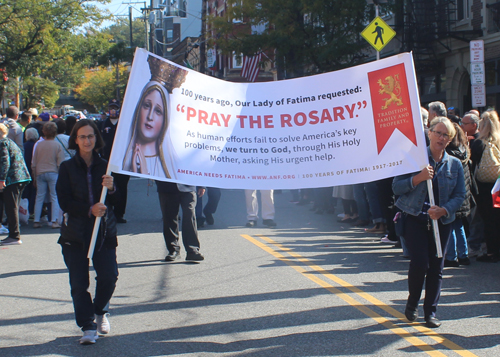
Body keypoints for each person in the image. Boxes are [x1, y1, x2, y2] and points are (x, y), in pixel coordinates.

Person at [393, 116, 465, 328]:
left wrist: (444, 210)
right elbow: (396, 188)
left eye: (446, 135)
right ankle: (412, 303)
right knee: (420, 263)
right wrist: (419, 177)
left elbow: (460, 195)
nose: (441, 138)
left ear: (450, 139)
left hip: (441, 223)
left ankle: (430, 312)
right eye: (438, 132)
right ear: (429, 132)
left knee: (436, 267)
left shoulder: (455, 165)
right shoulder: (413, 158)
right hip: (415, 219)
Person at [56, 119, 119, 345]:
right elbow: (63, 201)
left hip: (104, 231)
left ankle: (100, 310)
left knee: (109, 277)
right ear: (75, 140)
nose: (87, 140)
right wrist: (88, 210)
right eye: (82, 137)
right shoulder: (67, 168)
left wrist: (112, 189)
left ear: (96, 139)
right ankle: (87, 325)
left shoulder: (106, 166)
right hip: (76, 232)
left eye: (90, 136)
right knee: (79, 283)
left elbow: (119, 202)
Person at [122, 82, 170, 177]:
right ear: (139, 108)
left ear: (165, 119)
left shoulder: (168, 166)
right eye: (147, 106)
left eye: (158, 111)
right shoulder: (123, 157)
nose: (150, 116)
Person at [470, 110, 500, 262]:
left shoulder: (478, 143)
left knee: (488, 221)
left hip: (483, 188)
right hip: (498, 186)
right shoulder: (499, 142)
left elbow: (473, 167)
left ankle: (491, 252)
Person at [444, 123, 473, 266]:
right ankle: (464, 255)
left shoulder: (448, 153)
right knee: (459, 225)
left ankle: (451, 256)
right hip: (464, 194)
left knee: (449, 225)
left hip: (452, 194)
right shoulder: (464, 150)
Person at [156, 180, 205, 261]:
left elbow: (198, 166)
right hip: (166, 185)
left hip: (188, 185)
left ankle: (192, 250)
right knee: (169, 217)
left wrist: (201, 184)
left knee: (189, 215)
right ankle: (173, 249)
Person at [0, 123, 31, 245]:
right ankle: (14, 233)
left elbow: (4, 162)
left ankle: (14, 235)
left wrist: (1, 179)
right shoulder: (9, 142)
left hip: (12, 178)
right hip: (21, 177)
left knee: (11, 206)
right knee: (13, 205)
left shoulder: (2, 143)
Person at [32, 122, 65, 228]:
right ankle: (54, 221)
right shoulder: (57, 145)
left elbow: (34, 162)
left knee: (39, 196)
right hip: (53, 172)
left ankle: (36, 220)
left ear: (44, 132)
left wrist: (34, 176)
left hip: (40, 172)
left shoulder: (38, 144)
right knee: (54, 196)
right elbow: (60, 162)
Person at [101, 100, 129, 223]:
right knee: (107, 186)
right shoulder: (102, 124)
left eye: (115, 108)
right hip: (106, 161)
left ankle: (119, 213)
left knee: (122, 187)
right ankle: (108, 211)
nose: (113, 110)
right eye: (111, 108)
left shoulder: (124, 124)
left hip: (122, 161)